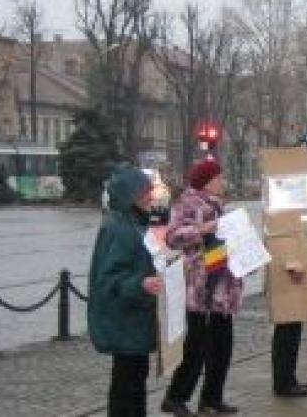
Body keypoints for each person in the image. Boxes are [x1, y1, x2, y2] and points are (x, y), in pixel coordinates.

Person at [161, 159, 243, 417]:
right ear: (206, 181)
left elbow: (225, 242)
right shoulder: (187, 203)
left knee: (222, 346)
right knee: (196, 347)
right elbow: (172, 237)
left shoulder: (219, 206)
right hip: (201, 287)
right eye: (218, 178)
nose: (222, 182)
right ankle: (175, 397)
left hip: (223, 288)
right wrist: (202, 229)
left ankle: (212, 398)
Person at [88, 164, 163, 417]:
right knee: (126, 384)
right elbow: (108, 281)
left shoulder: (136, 223)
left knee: (134, 381)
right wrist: (140, 284)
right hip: (125, 322)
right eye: (145, 193)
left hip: (136, 320)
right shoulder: (118, 229)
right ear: (130, 196)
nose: (151, 197)